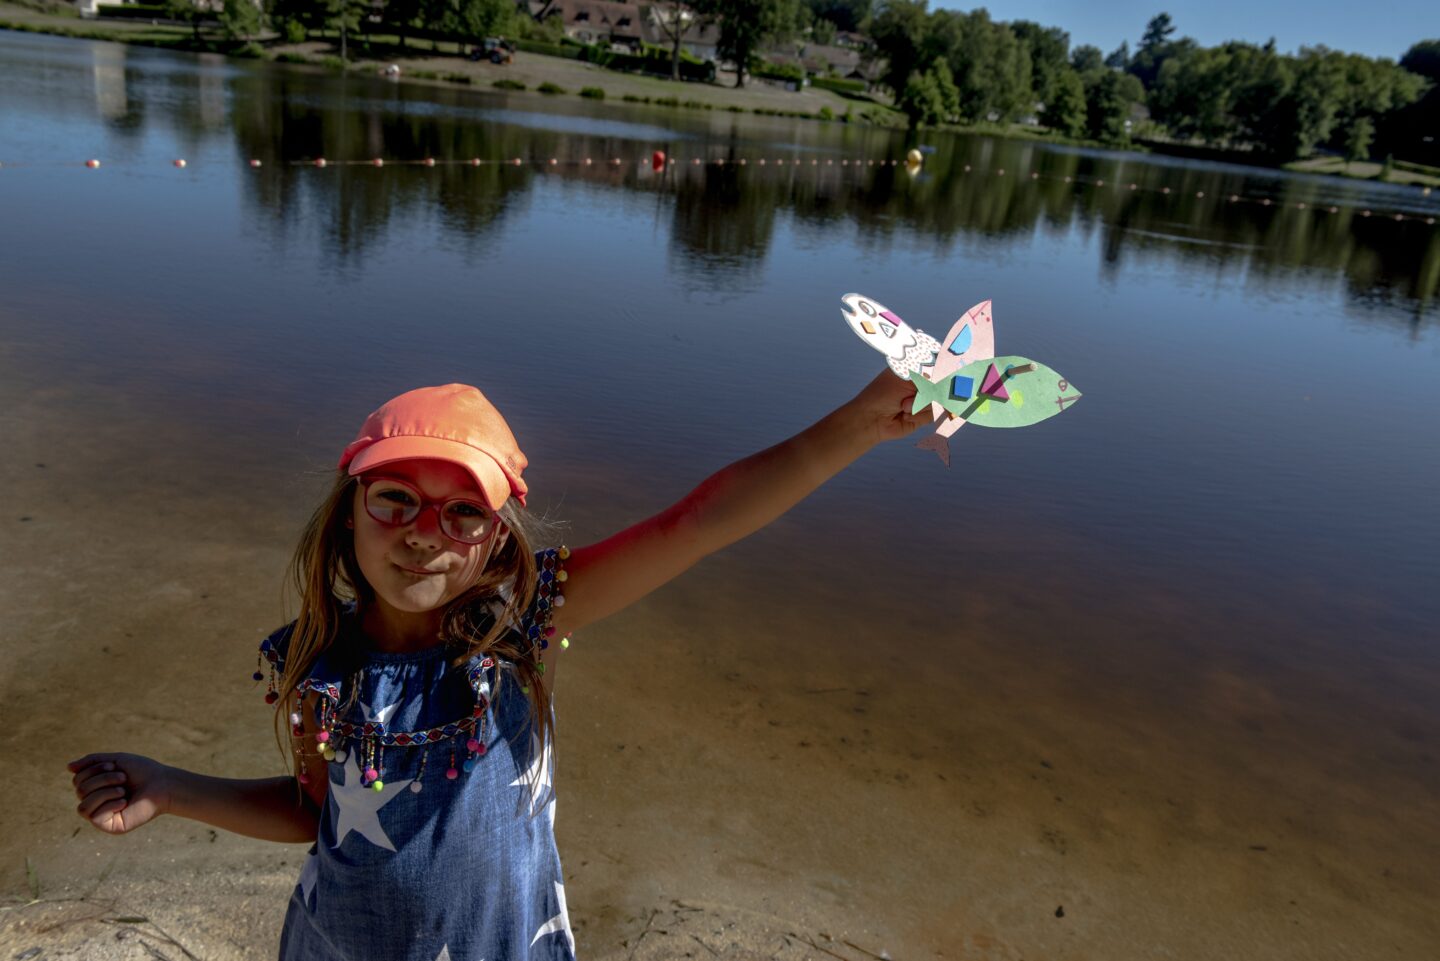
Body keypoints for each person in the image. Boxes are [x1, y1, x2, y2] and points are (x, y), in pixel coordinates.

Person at [67, 373, 928, 960]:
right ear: (349, 510)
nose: (421, 531)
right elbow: (315, 811)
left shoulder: (519, 628)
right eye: (395, 496)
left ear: (499, 536)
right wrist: (170, 786)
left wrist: (858, 423)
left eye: (461, 512)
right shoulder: (312, 665)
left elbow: (697, 522)